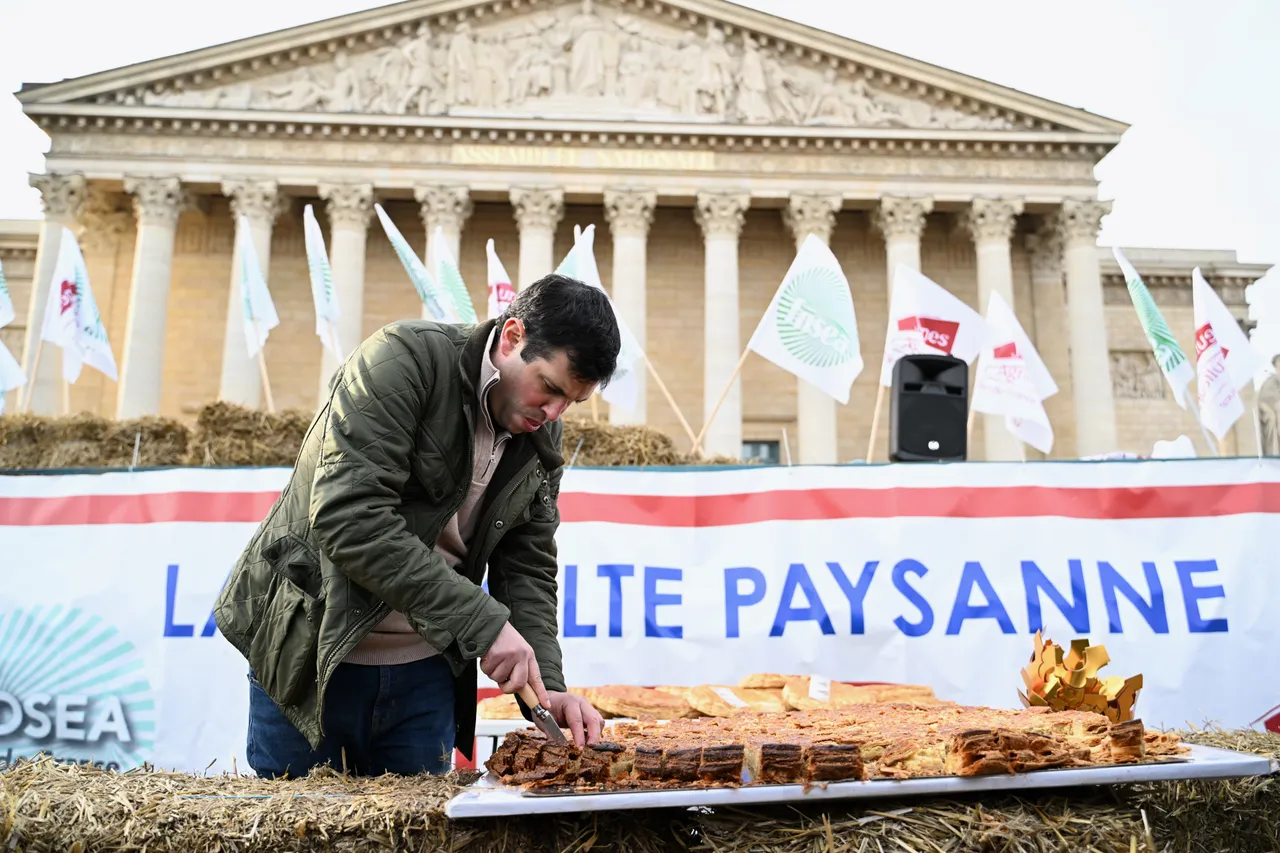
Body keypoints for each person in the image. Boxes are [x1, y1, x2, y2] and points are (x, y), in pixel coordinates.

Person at [212, 273, 619, 778]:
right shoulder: (401, 360)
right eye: (550, 389)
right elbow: (349, 519)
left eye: (571, 403)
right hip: (315, 657)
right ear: (513, 336)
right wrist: (481, 622)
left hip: (426, 675)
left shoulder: (539, 427)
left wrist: (548, 687)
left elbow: (527, 567)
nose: (555, 412)